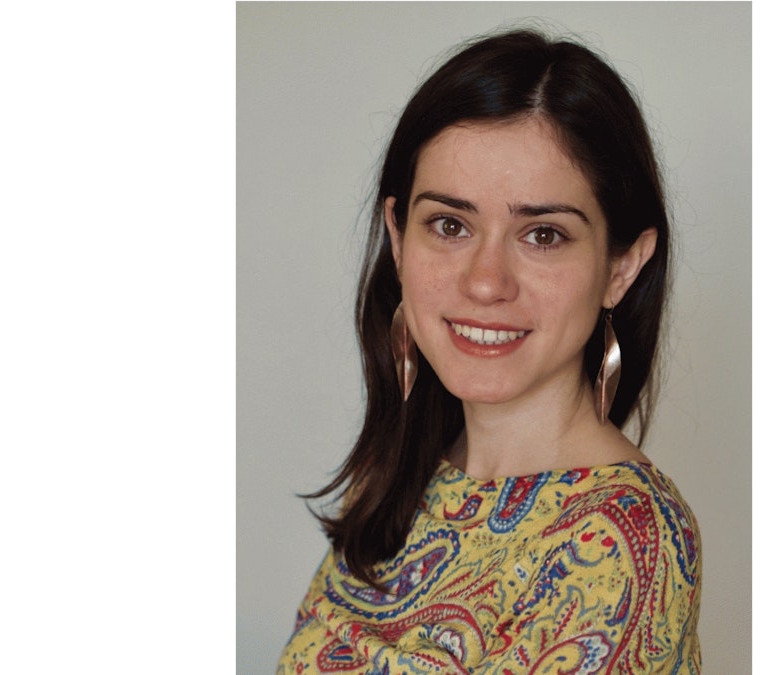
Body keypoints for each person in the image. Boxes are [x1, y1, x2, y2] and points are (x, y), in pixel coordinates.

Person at [276, 29, 700, 674]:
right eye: (450, 225)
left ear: (621, 267)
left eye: (543, 234)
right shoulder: (394, 484)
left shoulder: (624, 537)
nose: (484, 282)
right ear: (398, 239)